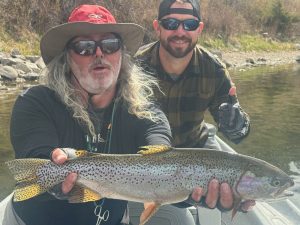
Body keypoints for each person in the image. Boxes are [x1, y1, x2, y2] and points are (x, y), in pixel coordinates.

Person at [4, 4, 237, 225]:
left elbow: (163, 163)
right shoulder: (36, 102)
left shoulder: (146, 113)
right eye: (84, 47)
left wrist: (200, 192)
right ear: (66, 59)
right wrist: (55, 174)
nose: (98, 53)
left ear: (122, 56)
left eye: (110, 44)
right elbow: (37, 162)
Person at [135, 0, 254, 213]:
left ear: (199, 29)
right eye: (171, 23)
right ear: (157, 27)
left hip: (197, 149)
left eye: (189, 25)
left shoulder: (214, 70)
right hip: (148, 158)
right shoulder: (136, 67)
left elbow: (238, 134)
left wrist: (236, 124)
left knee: (231, 197)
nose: (180, 31)